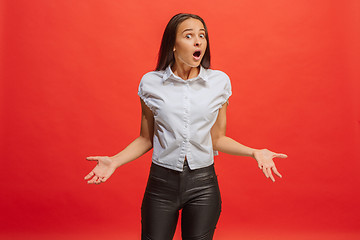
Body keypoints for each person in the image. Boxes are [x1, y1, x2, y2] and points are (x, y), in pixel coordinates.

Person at [84, 13, 287, 240]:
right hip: (161, 185)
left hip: (203, 186)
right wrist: (115, 161)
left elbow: (218, 138)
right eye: (189, 36)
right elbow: (146, 138)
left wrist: (254, 152)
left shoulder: (219, 83)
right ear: (173, 44)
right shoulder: (151, 83)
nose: (198, 41)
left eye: (202, 35)